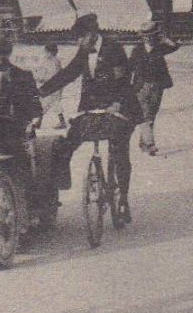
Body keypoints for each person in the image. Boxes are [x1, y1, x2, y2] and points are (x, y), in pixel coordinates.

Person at [37, 14, 141, 219]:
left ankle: (123, 199)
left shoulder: (114, 48)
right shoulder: (84, 51)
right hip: (91, 109)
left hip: (117, 106)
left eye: (80, 38)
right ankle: (56, 186)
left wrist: (117, 103)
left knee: (119, 151)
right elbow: (69, 73)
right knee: (66, 144)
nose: (78, 42)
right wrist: (42, 91)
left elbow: (123, 80)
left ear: (92, 35)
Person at [128, 20, 180, 155]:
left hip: (157, 85)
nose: (149, 38)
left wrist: (164, 38)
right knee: (146, 114)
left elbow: (175, 46)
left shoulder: (160, 47)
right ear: (143, 37)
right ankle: (150, 144)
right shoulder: (137, 50)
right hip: (142, 86)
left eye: (152, 35)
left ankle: (144, 142)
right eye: (146, 36)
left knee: (151, 113)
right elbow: (129, 67)